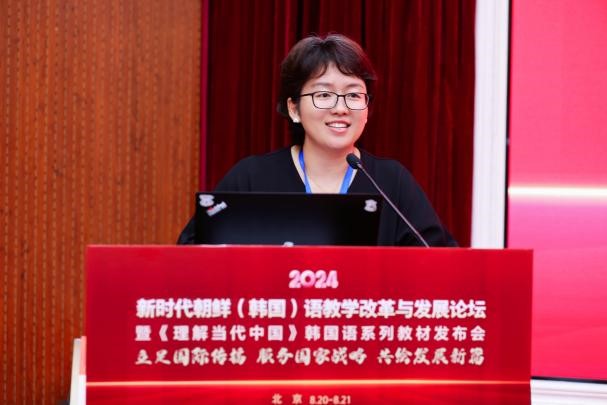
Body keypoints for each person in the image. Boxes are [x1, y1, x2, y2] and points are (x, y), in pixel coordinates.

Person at [178, 33, 456, 247]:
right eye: (323, 94)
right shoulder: (252, 177)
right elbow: (192, 252)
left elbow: (440, 261)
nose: (340, 108)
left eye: (353, 94)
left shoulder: (391, 182)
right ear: (294, 109)